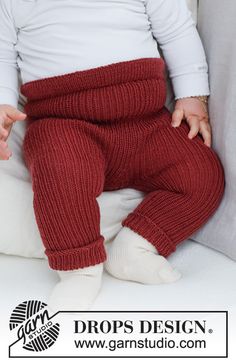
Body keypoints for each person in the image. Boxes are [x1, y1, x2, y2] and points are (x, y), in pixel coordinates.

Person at [0, 0, 225, 313]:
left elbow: (178, 32)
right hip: (65, 126)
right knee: (60, 172)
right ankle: (79, 268)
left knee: (201, 172)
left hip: (147, 122)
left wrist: (191, 94)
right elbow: (3, 55)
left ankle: (136, 245)